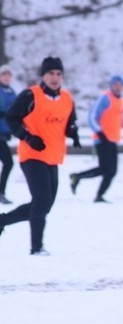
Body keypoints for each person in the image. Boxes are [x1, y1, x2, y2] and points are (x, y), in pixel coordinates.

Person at [0, 56, 81, 255]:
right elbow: (12, 117)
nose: (55, 77)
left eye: (58, 74)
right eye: (50, 73)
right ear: (43, 75)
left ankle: (2, 221)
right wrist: (27, 137)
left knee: (43, 206)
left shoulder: (67, 98)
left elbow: (69, 121)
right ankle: (36, 248)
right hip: (32, 155)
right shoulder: (30, 95)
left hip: (53, 157)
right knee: (41, 201)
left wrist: (73, 132)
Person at [69, 75, 123, 203]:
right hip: (102, 139)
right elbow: (92, 116)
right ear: (111, 85)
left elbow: (118, 118)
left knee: (112, 171)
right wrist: (99, 132)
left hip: (113, 139)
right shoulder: (105, 98)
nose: (118, 87)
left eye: (120, 84)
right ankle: (77, 177)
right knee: (106, 168)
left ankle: (99, 195)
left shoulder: (120, 100)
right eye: (115, 84)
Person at [0, 64, 17, 204]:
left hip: (4, 135)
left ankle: (1, 192)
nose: (6, 77)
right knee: (8, 162)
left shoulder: (12, 92)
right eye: (3, 74)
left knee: (8, 163)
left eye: (8, 75)